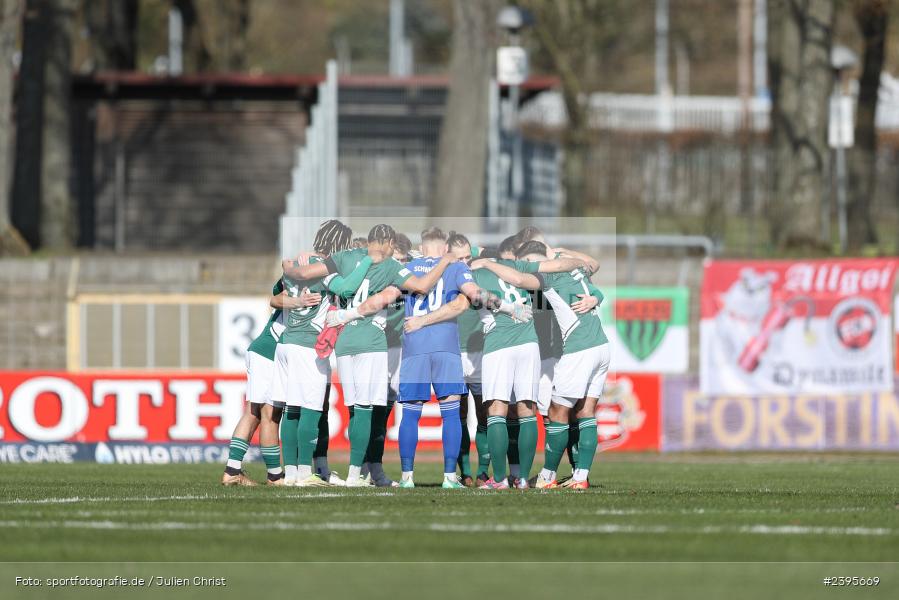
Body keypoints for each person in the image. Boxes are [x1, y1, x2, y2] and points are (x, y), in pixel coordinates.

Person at [291, 224, 454, 486]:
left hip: (344, 341)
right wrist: (445, 261)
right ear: (388, 241)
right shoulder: (390, 265)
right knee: (366, 410)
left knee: (354, 409)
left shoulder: (345, 257)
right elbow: (423, 286)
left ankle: (312, 471)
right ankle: (356, 474)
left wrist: (290, 265)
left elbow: (304, 272)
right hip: (373, 341)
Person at [475, 239, 608, 490]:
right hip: (601, 345)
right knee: (586, 411)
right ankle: (580, 477)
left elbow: (518, 280)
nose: (527, 268)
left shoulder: (549, 278)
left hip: (578, 348)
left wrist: (487, 264)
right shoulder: (574, 269)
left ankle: (547, 476)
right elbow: (590, 264)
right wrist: (596, 294)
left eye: (527, 264)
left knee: (558, 412)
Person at [273, 219, 377, 487]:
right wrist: (365, 263)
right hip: (309, 344)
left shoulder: (296, 263)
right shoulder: (324, 267)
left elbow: (276, 294)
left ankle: (293, 472)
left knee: (291, 409)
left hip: (287, 341)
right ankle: (306, 471)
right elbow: (345, 288)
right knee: (310, 409)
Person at [221, 279, 291, 486]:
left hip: (263, 351)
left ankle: (232, 471)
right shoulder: (302, 286)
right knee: (270, 414)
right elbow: (277, 293)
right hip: (268, 353)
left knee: (254, 412)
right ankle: (274, 476)